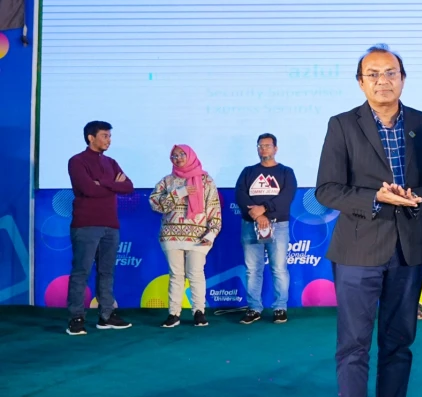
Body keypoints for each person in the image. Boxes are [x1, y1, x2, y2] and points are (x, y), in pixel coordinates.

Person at [316, 44, 422, 397]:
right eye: (373, 74)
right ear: (361, 82)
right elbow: (327, 189)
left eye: (390, 72)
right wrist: (375, 197)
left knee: (399, 342)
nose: (382, 81)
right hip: (358, 250)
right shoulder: (342, 125)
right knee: (354, 346)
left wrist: (416, 197)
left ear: (403, 78)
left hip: (407, 249)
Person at [65, 121, 134, 335]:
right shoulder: (77, 161)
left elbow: (128, 187)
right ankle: (76, 318)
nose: (109, 140)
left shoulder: (111, 162)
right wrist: (112, 184)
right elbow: (88, 189)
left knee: (107, 272)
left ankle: (106, 315)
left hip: (110, 225)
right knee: (81, 271)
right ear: (91, 137)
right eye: (105, 136)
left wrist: (101, 182)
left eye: (110, 136)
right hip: (86, 224)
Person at [149, 145, 222, 328]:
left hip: (199, 236)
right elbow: (156, 204)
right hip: (171, 236)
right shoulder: (167, 181)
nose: (178, 158)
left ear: (190, 156)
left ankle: (199, 312)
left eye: (182, 154)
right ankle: (174, 314)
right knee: (176, 275)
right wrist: (179, 193)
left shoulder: (206, 181)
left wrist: (212, 233)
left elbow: (214, 208)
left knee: (196, 273)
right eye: (174, 156)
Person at [235, 133, 298, 324]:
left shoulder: (286, 172)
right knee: (252, 270)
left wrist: (264, 209)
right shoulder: (248, 172)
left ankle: (280, 308)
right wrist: (258, 216)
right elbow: (240, 195)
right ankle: (254, 308)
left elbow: (286, 197)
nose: (263, 149)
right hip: (250, 225)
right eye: (260, 146)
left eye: (267, 146)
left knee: (278, 268)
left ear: (275, 149)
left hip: (278, 225)